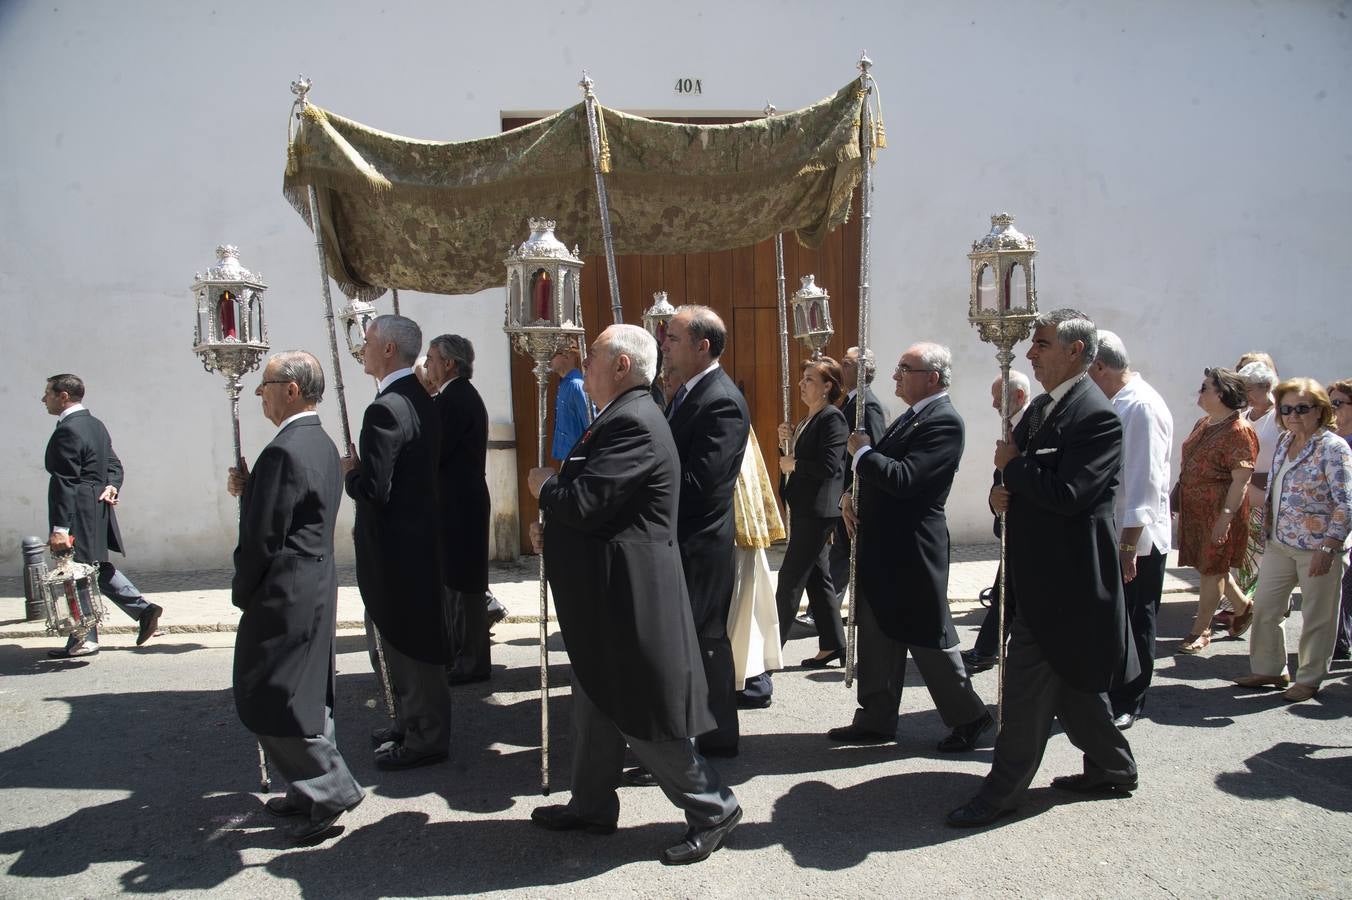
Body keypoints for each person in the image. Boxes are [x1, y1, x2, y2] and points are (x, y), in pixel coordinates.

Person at [526, 324, 742, 866]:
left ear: (621, 366)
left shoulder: (635, 421)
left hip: (627, 594)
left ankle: (712, 806)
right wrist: (552, 527)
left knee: (639, 709)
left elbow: (589, 501)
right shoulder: (622, 416)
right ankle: (592, 804)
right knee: (596, 700)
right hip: (606, 592)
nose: (584, 363)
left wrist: (545, 491)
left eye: (593, 356)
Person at [949, 309, 1138, 828]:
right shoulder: (1040, 412)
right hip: (1038, 577)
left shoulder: (1095, 416)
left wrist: (1014, 467)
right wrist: (998, 493)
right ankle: (1113, 768)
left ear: (1075, 352)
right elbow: (1012, 482)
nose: (1030, 353)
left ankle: (998, 795)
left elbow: (1071, 494)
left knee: (1026, 691)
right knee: (1076, 686)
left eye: (1042, 344)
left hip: (1070, 584)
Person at [227, 351, 364, 844]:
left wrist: (243, 587)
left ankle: (329, 791)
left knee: (272, 692)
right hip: (311, 582)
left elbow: (266, 535)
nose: (260, 395)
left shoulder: (284, 450)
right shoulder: (318, 440)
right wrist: (250, 490)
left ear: (291, 389)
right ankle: (306, 788)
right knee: (305, 693)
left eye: (264, 386)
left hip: (285, 588)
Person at [828, 343, 992, 754]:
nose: (896, 375)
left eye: (906, 368)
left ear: (933, 377)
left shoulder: (944, 422)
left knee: (927, 637)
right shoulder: (912, 417)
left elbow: (905, 478)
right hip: (882, 545)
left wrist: (862, 452)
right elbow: (879, 470)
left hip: (913, 549)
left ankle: (970, 716)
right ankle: (876, 718)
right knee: (877, 633)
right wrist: (850, 494)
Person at [344, 315, 452, 770]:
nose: (361, 348)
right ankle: (409, 722)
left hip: (398, 549)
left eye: (367, 340)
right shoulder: (419, 397)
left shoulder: (387, 407)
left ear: (389, 349)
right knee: (401, 640)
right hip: (417, 542)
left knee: (410, 645)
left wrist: (351, 473)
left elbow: (375, 489)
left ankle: (425, 736)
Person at [655, 305, 750, 750]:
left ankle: (700, 741)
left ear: (702, 346)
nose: (664, 344)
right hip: (685, 539)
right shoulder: (690, 391)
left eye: (672, 338)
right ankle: (713, 737)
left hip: (700, 543)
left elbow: (702, 485)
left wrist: (645, 490)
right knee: (697, 642)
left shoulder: (721, 400)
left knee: (700, 642)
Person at [1234, 378, 1352, 701]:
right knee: (1266, 607)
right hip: (1281, 541)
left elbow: (1346, 503)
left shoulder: (1333, 447)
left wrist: (1329, 546)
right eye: (1286, 409)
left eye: (1302, 408)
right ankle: (1270, 669)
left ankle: (1310, 678)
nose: (1293, 415)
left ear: (1320, 410)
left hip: (1318, 546)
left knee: (1318, 615)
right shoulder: (1286, 441)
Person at [41, 374, 161, 659]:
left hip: (78, 509)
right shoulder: (96, 425)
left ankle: (85, 638)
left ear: (64, 396)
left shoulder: (67, 430)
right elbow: (114, 465)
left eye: (47, 393)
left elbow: (65, 480)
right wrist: (111, 484)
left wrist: (59, 527)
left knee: (76, 572)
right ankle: (143, 610)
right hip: (96, 507)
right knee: (94, 567)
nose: (43, 399)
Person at [1088, 331, 1174, 729]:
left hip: (1136, 539)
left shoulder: (1138, 406)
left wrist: (1128, 546)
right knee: (1116, 621)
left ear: (1099, 367)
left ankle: (1130, 700)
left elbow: (1144, 481)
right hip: (1117, 533)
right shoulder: (1117, 402)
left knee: (1137, 621)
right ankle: (1111, 689)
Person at [1173, 366, 1258, 654]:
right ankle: (1243, 606)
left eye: (1205, 387)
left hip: (1219, 510)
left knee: (1212, 570)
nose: (1200, 391)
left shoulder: (1239, 431)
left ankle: (1202, 630)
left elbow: (1241, 480)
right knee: (1208, 566)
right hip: (1196, 509)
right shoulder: (1204, 422)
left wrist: (1225, 519)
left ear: (1221, 394)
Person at [425, 334, 493, 685]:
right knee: (455, 581)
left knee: (464, 584)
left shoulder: (456, 398)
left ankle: (471, 661)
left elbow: (433, 449)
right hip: (456, 501)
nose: (427, 365)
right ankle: (461, 655)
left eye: (432, 358)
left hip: (460, 504)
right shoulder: (452, 397)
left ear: (449, 363)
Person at [775, 357, 849, 667]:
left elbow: (830, 466)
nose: (802, 385)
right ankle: (833, 643)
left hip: (818, 511)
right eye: (803, 378)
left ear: (827, 386)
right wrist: (785, 443)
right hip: (806, 506)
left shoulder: (832, 418)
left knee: (790, 578)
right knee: (818, 579)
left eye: (809, 380)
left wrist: (795, 463)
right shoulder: (809, 419)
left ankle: (768, 649)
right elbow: (795, 459)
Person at [962, 369, 1031, 675]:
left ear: (1018, 396)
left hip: (1024, 527)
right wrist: (994, 496)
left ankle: (988, 650)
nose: (992, 405)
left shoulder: (1031, 424)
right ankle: (987, 649)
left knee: (1008, 593)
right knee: (1005, 591)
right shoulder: (1013, 424)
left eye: (996, 397)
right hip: (1010, 523)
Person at [820, 346, 887, 632]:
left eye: (846, 363)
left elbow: (873, 450)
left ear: (862, 370)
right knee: (842, 552)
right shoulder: (850, 402)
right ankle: (828, 611)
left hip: (855, 491)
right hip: (844, 492)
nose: (840, 368)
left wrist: (851, 489)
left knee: (847, 552)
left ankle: (832, 612)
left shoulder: (867, 406)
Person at [1231, 360, 1282, 610]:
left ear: (1266, 386)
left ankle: (1255, 604)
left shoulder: (1281, 417)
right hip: (1245, 493)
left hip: (1270, 494)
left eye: (1250, 389)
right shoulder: (1244, 416)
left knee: (1263, 553)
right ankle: (1245, 604)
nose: (1246, 395)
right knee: (1245, 551)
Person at [1328, 378, 1352, 660]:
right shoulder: (1330, 439)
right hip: (1338, 522)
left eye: (1338, 403)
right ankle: (1339, 640)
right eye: (1329, 403)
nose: (1332, 409)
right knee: (1343, 583)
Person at [549, 347, 590, 461]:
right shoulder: (565, 383)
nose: (548, 360)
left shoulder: (576, 385)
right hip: (568, 457)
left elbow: (591, 423)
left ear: (566, 355)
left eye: (552, 355)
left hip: (579, 459)